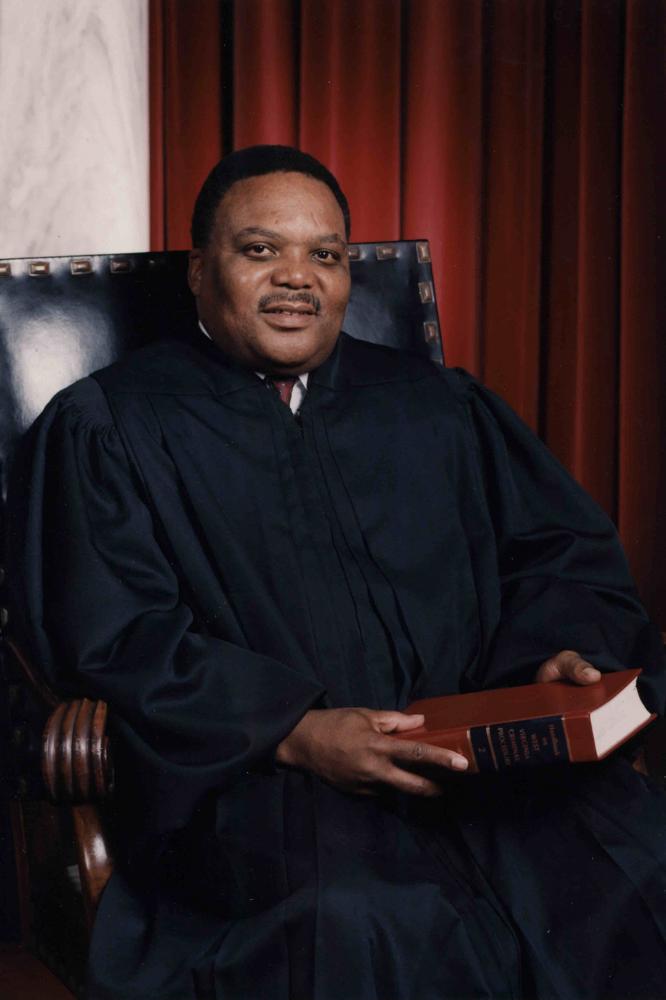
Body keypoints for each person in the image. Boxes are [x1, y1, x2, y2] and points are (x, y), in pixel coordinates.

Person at [14, 145, 666, 999]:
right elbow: (115, 634)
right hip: (267, 788)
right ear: (200, 268)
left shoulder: (437, 406)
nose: (297, 278)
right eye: (260, 250)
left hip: (480, 769)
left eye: (324, 254)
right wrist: (293, 731)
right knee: (369, 923)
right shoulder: (113, 426)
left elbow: (561, 557)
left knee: (629, 871)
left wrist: (551, 657)